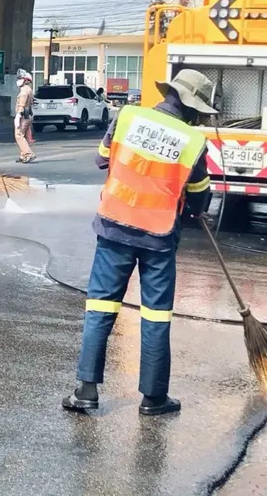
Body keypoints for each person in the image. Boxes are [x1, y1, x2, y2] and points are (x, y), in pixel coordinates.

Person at [62, 68, 215, 416]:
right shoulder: (192, 141)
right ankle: (153, 397)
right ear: (193, 108)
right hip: (159, 238)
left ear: (168, 94)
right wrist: (192, 210)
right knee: (156, 316)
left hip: (115, 227)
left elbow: (102, 157)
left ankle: (86, 391)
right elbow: (199, 198)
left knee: (100, 308)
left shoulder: (127, 116)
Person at [14, 69, 36, 163]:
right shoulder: (29, 90)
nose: (19, 80)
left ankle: (28, 154)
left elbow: (21, 105)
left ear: (26, 80)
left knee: (19, 135)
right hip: (28, 115)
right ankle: (23, 155)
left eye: (21, 78)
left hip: (23, 115)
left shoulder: (24, 92)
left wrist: (18, 115)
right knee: (25, 136)